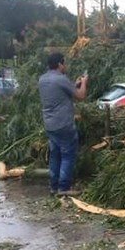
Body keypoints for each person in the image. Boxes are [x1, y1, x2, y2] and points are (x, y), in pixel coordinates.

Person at [38, 52, 88, 196]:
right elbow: (81, 95)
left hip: (50, 124)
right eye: (64, 63)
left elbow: (60, 92)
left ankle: (54, 187)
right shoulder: (61, 79)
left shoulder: (42, 79)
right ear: (60, 64)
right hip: (64, 124)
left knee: (55, 155)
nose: (65, 66)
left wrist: (74, 85)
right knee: (68, 155)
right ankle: (64, 188)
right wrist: (83, 83)